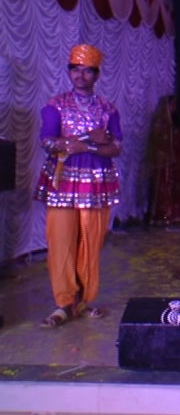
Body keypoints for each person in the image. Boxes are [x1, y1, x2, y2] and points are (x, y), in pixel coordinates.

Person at [34, 44, 121, 327]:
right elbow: (47, 141)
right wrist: (87, 140)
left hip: (96, 184)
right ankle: (63, 303)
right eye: (75, 69)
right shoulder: (56, 105)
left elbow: (116, 147)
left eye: (87, 71)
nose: (80, 75)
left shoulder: (108, 109)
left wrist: (86, 146)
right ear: (69, 72)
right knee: (61, 242)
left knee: (91, 243)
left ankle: (83, 301)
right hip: (62, 181)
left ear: (97, 75)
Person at [147, 94, 180, 227]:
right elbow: (155, 144)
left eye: (175, 105)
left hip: (176, 162)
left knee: (176, 189)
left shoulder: (176, 122)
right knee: (163, 191)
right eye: (171, 105)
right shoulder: (159, 123)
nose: (173, 108)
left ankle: (174, 216)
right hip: (163, 164)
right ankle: (162, 217)